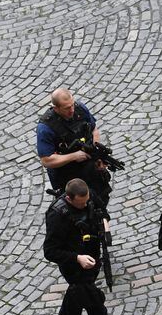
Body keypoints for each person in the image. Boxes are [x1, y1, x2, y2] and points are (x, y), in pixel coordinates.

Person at [43, 178, 140, 315]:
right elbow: (50, 251)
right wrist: (77, 258)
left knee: (76, 293)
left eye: (87, 200)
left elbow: (102, 211)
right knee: (96, 309)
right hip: (75, 268)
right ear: (70, 199)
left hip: (93, 259)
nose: (86, 204)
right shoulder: (56, 216)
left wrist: (105, 226)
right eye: (82, 202)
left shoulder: (89, 195)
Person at [36, 88, 113, 218]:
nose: (72, 110)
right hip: (67, 177)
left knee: (100, 203)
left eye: (72, 104)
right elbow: (46, 160)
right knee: (76, 214)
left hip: (90, 170)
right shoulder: (46, 127)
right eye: (67, 108)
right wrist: (73, 156)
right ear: (56, 108)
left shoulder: (80, 109)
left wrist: (97, 155)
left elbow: (94, 130)